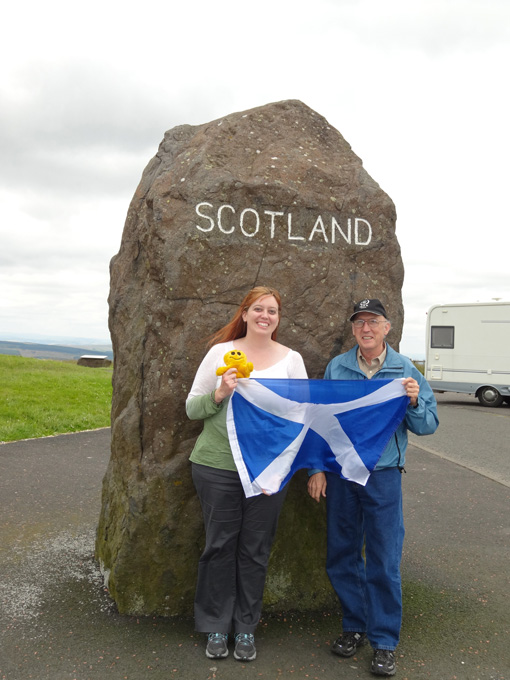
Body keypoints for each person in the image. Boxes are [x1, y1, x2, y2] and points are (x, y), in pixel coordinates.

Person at [308, 299, 438, 677]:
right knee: (343, 554)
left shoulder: (404, 370)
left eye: (373, 322)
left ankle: (384, 641)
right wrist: (317, 467)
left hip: (383, 476)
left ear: (387, 327)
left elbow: (427, 424)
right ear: (353, 330)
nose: (366, 328)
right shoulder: (338, 367)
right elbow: (320, 420)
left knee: (383, 558)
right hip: (343, 473)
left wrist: (413, 400)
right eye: (359, 322)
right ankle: (354, 626)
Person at [186, 286, 308, 662]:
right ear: (244, 313)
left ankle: (246, 630)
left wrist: (279, 472)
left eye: (272, 310)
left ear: (278, 318)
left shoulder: (292, 360)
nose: (265, 316)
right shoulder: (221, 354)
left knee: (254, 551)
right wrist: (220, 394)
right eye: (258, 308)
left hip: (267, 472)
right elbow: (192, 409)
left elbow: (301, 418)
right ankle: (216, 627)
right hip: (217, 466)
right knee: (219, 546)